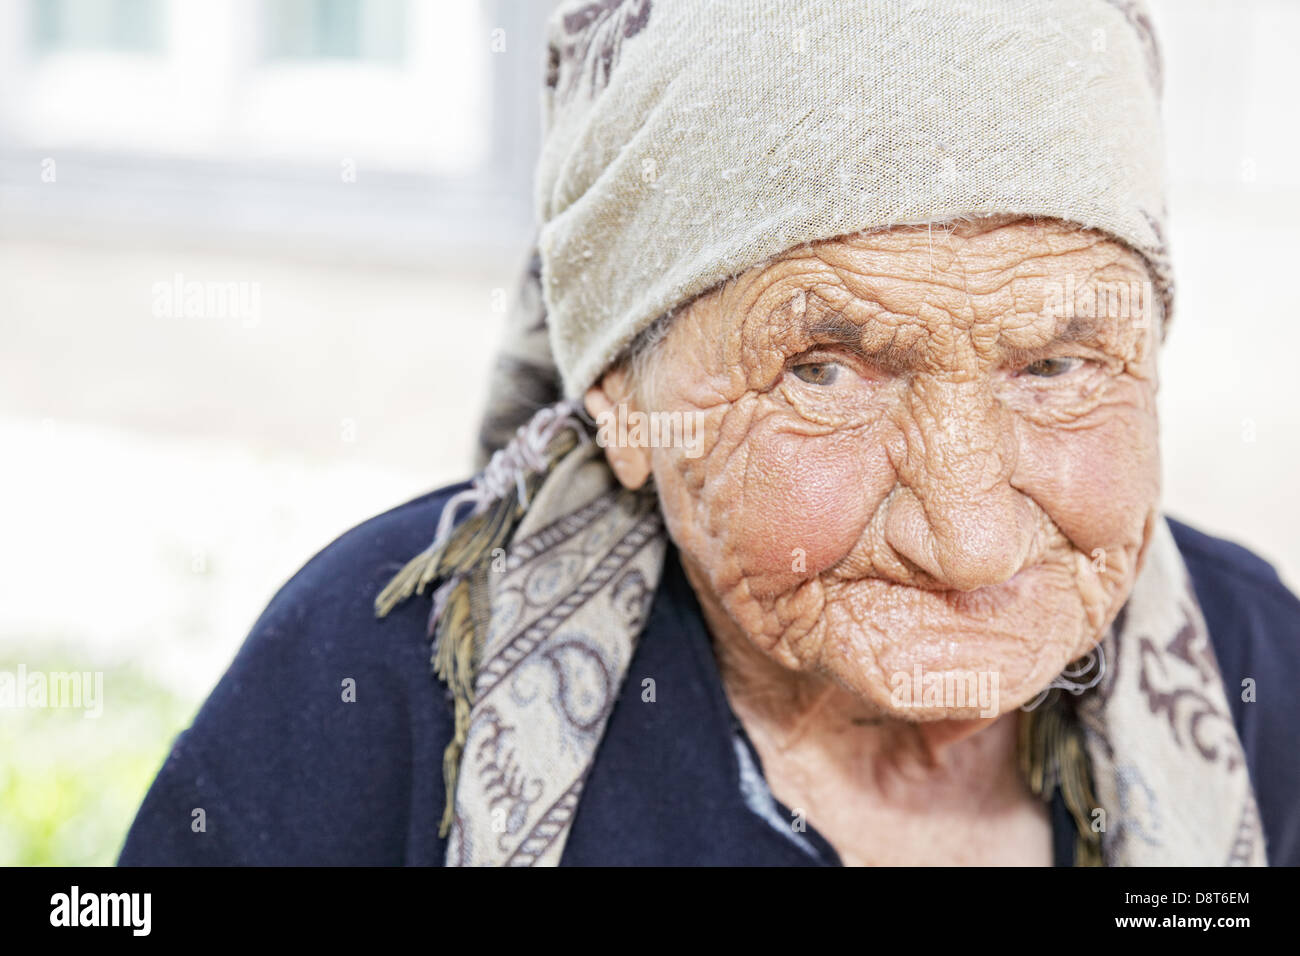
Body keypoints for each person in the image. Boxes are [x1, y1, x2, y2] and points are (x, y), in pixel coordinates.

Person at [119, 0, 1299, 867]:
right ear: (620, 394)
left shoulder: (1258, 665)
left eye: (1055, 367)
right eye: (826, 372)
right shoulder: (377, 678)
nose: (972, 539)